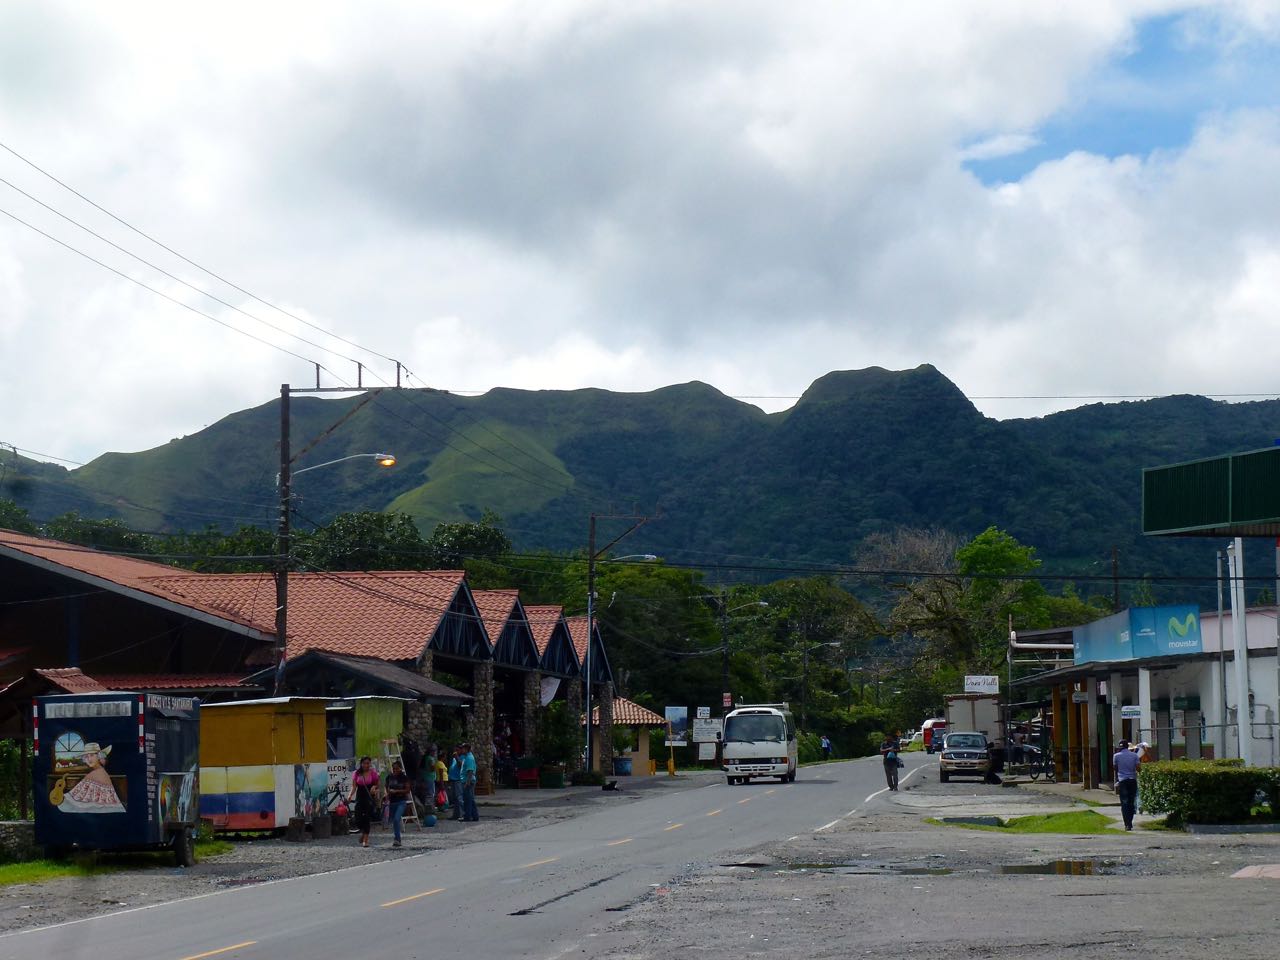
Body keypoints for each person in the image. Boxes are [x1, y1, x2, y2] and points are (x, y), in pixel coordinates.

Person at [56, 743, 126, 813]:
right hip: (97, 809)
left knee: (64, 806)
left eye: (92, 755)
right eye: (86, 756)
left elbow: (79, 801)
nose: (89, 759)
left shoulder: (97, 773)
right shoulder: (98, 772)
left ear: (99, 756)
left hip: (99, 809)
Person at [347, 756, 380, 848]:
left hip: (369, 797)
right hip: (360, 796)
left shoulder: (373, 773)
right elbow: (354, 787)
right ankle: (363, 832)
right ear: (361, 764)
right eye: (364, 763)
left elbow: (377, 783)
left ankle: (365, 839)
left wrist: (374, 787)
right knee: (357, 818)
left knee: (366, 818)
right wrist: (350, 795)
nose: (366, 765)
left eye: (368, 763)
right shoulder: (356, 773)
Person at [1113, 738, 1140, 831]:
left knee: (1124, 802)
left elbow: (1115, 767)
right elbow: (1138, 768)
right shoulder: (1134, 756)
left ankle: (1127, 824)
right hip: (1132, 780)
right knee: (1131, 801)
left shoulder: (1116, 756)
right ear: (1128, 746)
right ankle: (1130, 822)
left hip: (1122, 781)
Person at [384, 759, 411, 847]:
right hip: (392, 801)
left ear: (400, 768)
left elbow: (407, 790)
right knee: (393, 821)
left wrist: (396, 791)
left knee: (396, 818)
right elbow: (386, 787)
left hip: (401, 801)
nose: (395, 770)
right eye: (394, 768)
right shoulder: (389, 777)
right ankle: (396, 836)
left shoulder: (404, 777)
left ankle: (397, 839)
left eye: (397, 768)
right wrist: (387, 794)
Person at [460, 742, 480, 822]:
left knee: (467, 800)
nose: (462, 750)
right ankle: (475, 816)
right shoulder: (466, 757)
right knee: (470, 799)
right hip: (466, 780)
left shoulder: (469, 758)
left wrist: (467, 782)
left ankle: (467, 816)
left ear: (466, 749)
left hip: (468, 781)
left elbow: (470, 771)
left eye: (463, 748)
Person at [447, 746, 463, 820]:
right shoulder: (453, 759)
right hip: (453, 780)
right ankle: (456, 815)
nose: (456, 751)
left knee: (459, 797)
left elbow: (461, 766)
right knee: (454, 798)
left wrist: (456, 757)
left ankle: (461, 814)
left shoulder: (462, 757)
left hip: (458, 780)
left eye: (457, 750)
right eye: (455, 750)